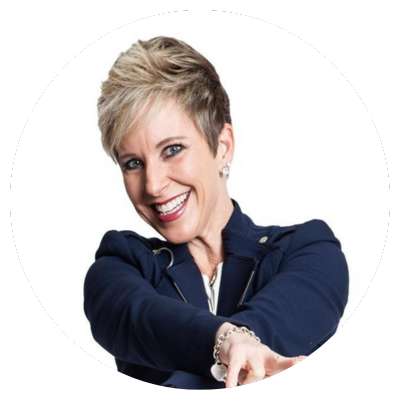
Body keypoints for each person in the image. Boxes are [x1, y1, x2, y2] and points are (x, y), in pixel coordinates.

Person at [83, 36, 349, 389]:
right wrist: (225, 341)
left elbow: (271, 335)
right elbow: (140, 317)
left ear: (222, 146)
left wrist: (237, 345)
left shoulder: (307, 251)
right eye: (133, 163)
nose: (153, 185)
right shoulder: (121, 267)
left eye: (172, 150)